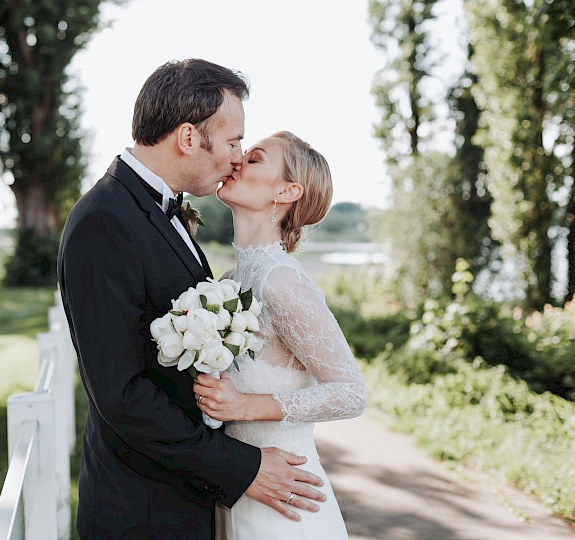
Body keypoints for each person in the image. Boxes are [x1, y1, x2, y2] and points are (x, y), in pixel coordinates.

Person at [58, 61, 328, 540]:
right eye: (232, 142)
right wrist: (241, 467)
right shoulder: (105, 221)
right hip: (142, 510)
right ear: (188, 137)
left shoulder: (160, 211)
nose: (237, 157)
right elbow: (121, 393)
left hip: (183, 497)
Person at [193, 130, 369, 539]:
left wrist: (242, 405)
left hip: (286, 499)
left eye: (254, 159)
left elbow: (351, 392)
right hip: (238, 488)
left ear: (287, 191)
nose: (237, 161)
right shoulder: (229, 281)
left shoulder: (282, 282)